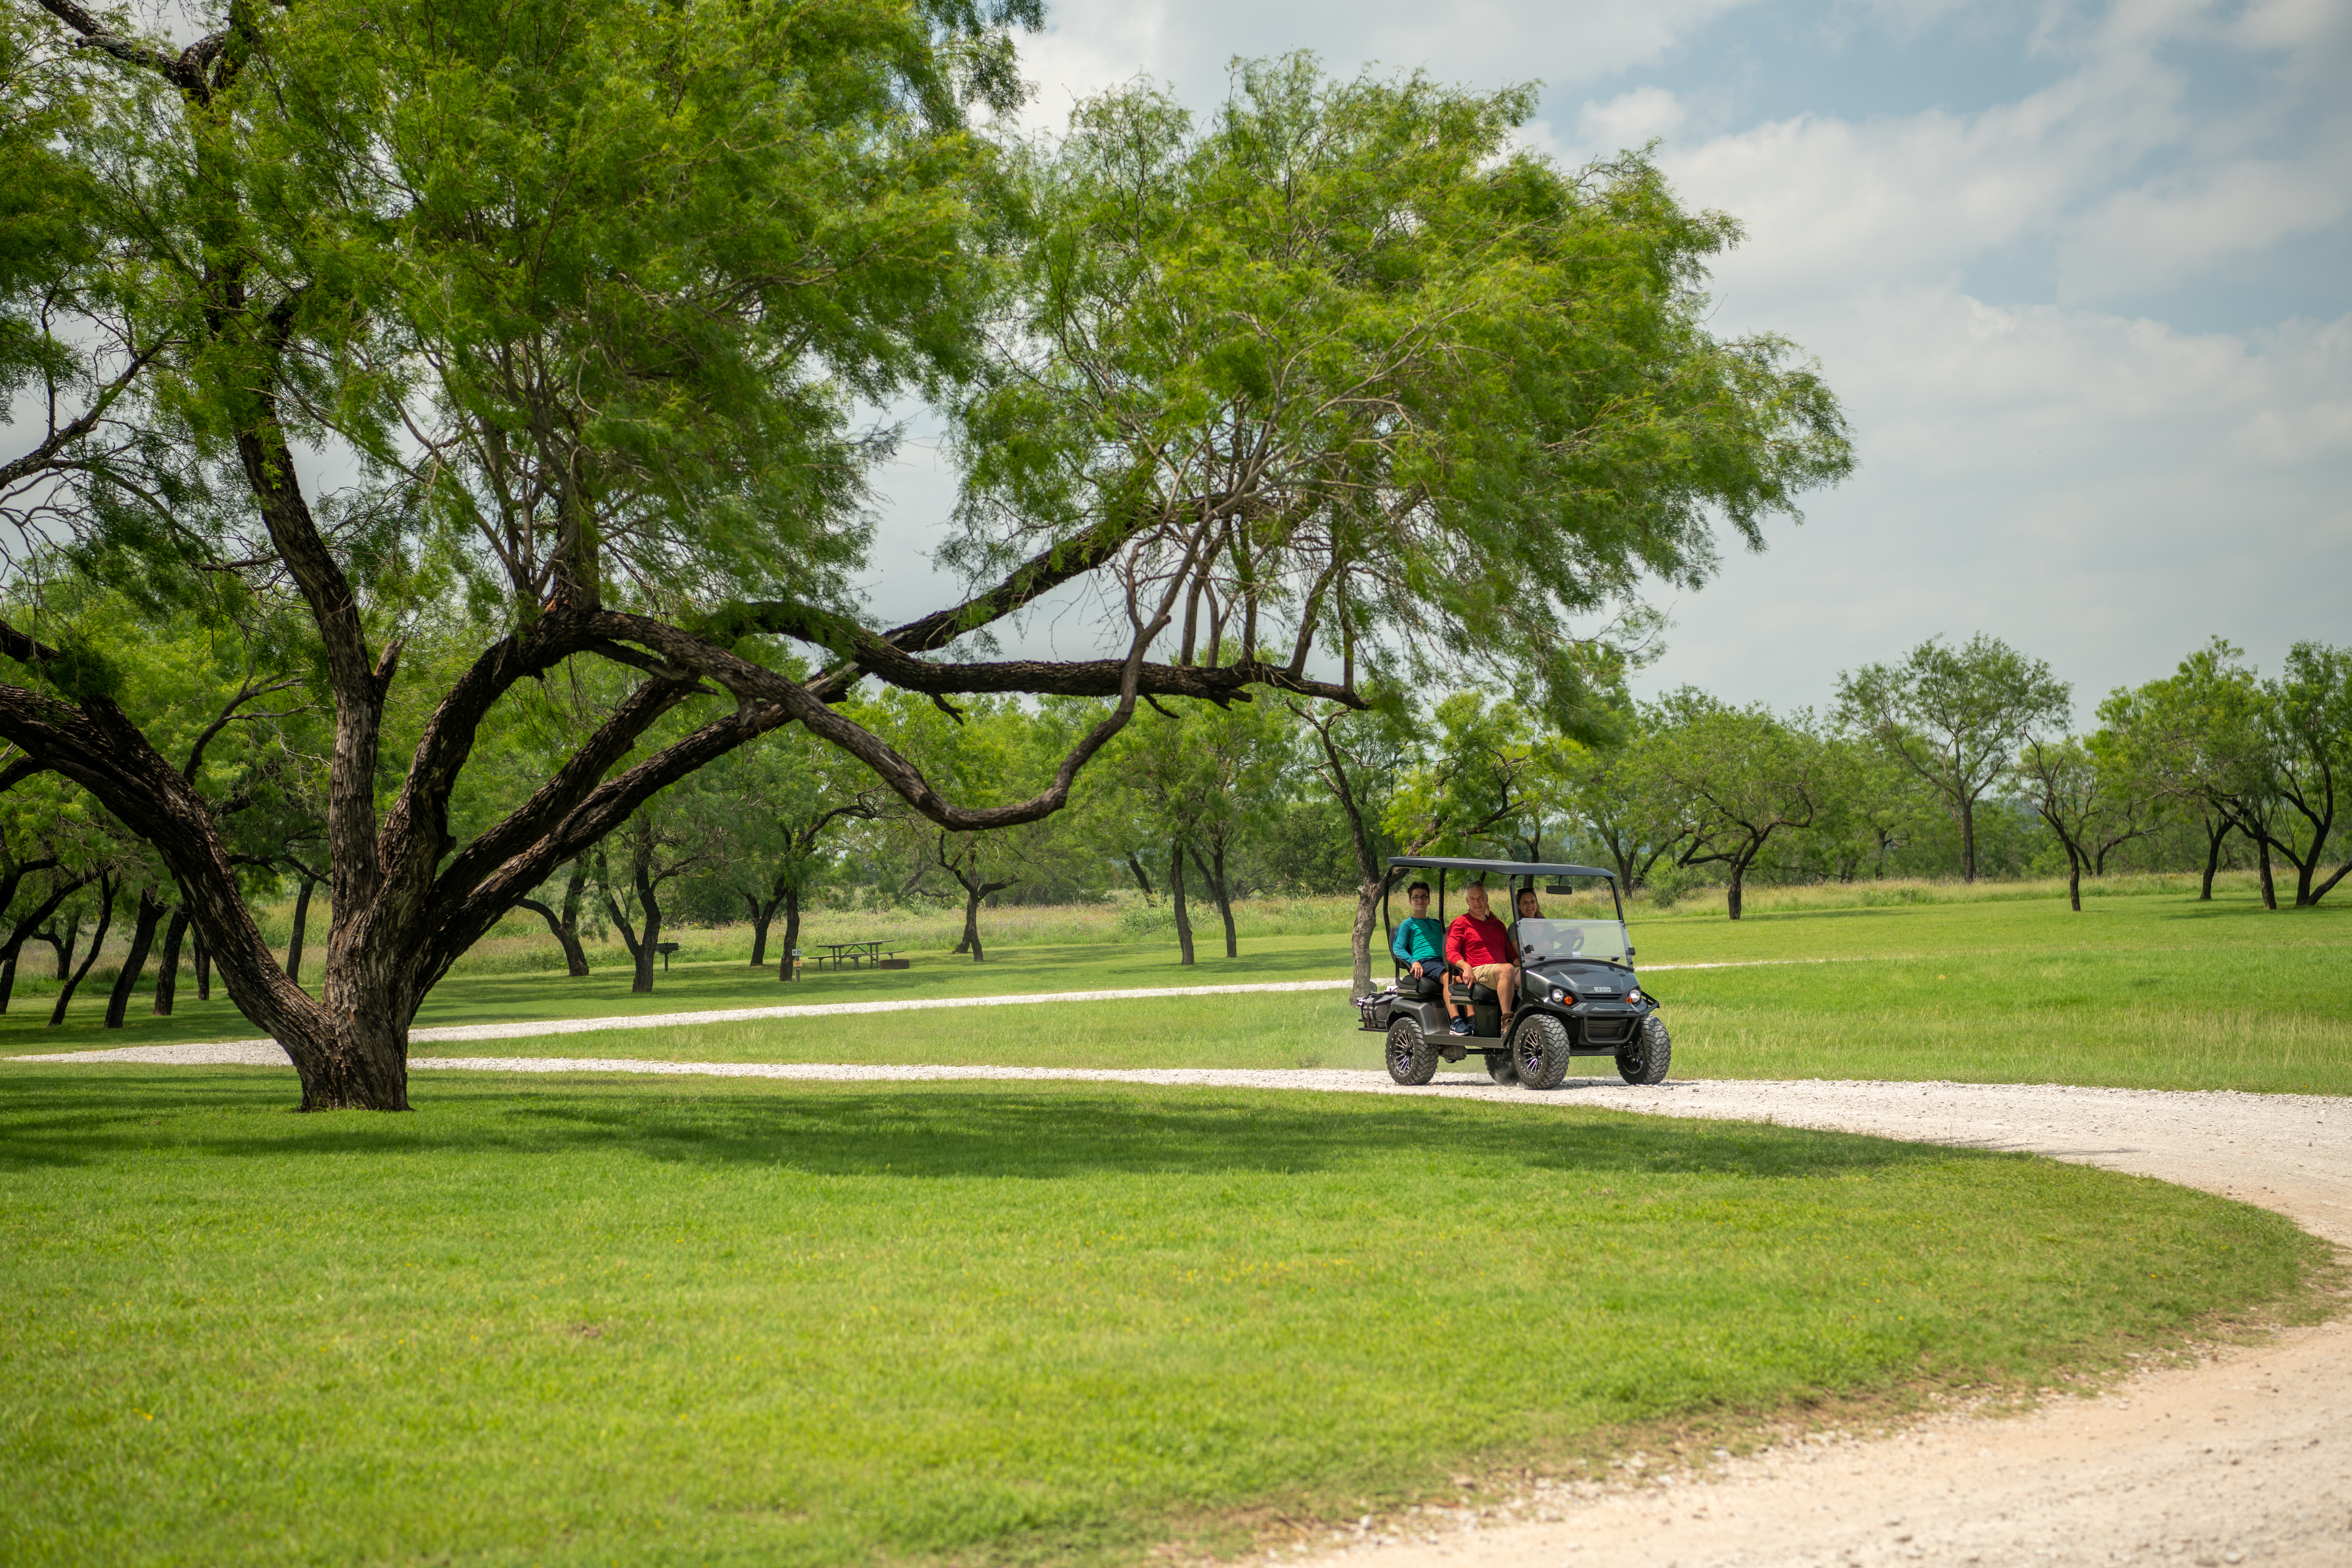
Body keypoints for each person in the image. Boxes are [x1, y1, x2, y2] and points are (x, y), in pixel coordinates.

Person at [1390, 882, 1470, 1029]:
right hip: (1425, 962)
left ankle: (1472, 1020)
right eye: (1416, 898)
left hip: (1444, 961)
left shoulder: (1436, 923)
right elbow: (1398, 948)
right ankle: (1456, 1022)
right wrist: (1413, 961)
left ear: (1429, 900)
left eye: (1424, 897)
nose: (1420, 900)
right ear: (1410, 901)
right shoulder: (1408, 924)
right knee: (1450, 978)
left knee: (1467, 977)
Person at [1445, 882, 1519, 1036]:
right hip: (1477, 969)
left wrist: (1525, 964)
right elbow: (1451, 952)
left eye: (1480, 898)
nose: (1477, 903)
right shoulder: (1460, 923)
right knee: (1507, 969)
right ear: (1467, 901)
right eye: (1473, 899)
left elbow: (1509, 954)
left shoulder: (1497, 924)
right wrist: (1466, 967)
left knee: (1532, 976)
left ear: (1486, 898)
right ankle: (1507, 1022)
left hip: (1500, 969)